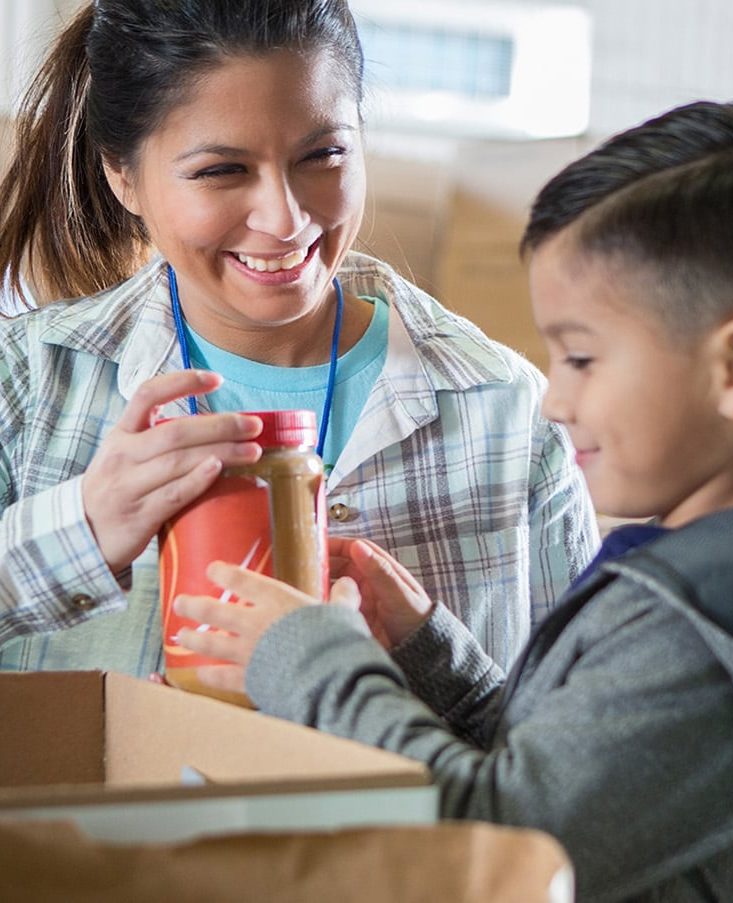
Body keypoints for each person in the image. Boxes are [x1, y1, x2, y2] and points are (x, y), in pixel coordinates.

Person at [171, 101, 733, 901]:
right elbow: (562, 770)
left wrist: (309, 655)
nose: (554, 400)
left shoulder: (713, 629)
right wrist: (428, 650)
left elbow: (506, 837)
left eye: (581, 357)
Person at [0, 0, 598, 676]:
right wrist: (78, 531)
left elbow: (572, 747)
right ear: (123, 175)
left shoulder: (509, 412)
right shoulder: (28, 381)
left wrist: (432, 661)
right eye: (221, 171)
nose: (285, 220)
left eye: (323, 154)